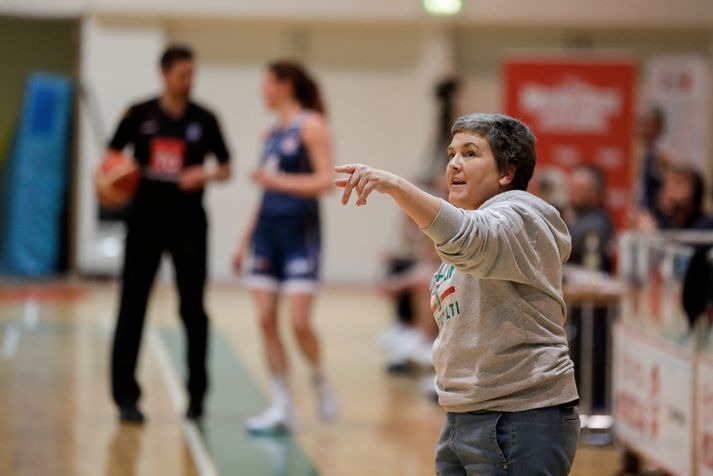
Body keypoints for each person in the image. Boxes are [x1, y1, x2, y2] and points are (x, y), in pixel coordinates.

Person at [336, 113, 580, 475]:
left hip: (520, 416)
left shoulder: (523, 216)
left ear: (506, 173)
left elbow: (467, 237)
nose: (453, 164)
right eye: (451, 153)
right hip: (463, 415)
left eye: (469, 153)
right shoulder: (478, 220)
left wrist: (395, 186)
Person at [106, 45, 232, 423]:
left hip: (189, 225)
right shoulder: (137, 113)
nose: (189, 81)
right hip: (144, 222)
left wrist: (205, 174)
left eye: (192, 74)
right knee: (133, 306)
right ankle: (126, 397)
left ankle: (197, 396)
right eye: (182, 75)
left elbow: (226, 167)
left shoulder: (205, 118)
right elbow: (110, 161)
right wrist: (114, 184)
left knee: (193, 309)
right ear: (164, 75)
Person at [232, 61, 338, 433]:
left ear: (285, 85)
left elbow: (326, 180)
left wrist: (277, 181)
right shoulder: (269, 133)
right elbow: (265, 191)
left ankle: (320, 376)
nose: (263, 91)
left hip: (300, 234)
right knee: (264, 320)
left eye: (267, 84)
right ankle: (282, 405)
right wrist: (244, 241)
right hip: (266, 234)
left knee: (298, 324)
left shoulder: (311, 125)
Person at [566, 164, 613, 272]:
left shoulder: (600, 221)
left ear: (594, 192)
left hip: (589, 283)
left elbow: (569, 243)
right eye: (571, 186)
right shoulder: (569, 215)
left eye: (579, 188)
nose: (572, 192)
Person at [636, 105, 673, 219]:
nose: (641, 128)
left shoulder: (662, 153)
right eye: (639, 123)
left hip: (658, 218)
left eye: (646, 124)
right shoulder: (650, 151)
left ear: (659, 126)